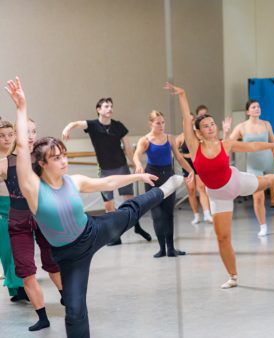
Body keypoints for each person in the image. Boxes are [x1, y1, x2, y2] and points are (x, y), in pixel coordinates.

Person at [5, 77, 184, 338]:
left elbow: (107, 181)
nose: (63, 161)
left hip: (93, 231)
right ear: (42, 164)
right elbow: (21, 147)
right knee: (75, 310)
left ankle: (164, 189)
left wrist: (137, 177)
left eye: (64, 155)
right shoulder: (33, 188)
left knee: (130, 211)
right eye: (56, 158)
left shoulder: (73, 181)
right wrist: (21, 107)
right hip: (69, 255)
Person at [164, 82, 274, 289]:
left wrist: (272, 144)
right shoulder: (193, 145)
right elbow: (185, 121)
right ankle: (233, 276)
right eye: (205, 126)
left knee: (266, 181)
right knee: (222, 238)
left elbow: (251, 146)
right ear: (197, 132)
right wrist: (182, 95)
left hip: (235, 182)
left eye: (212, 124)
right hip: (218, 196)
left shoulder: (225, 144)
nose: (210, 128)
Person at [0, 117, 63, 331]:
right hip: (18, 221)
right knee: (26, 270)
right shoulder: (5, 163)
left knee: (53, 263)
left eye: (34, 131)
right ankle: (42, 316)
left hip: (42, 217)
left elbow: (59, 184)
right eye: (26, 131)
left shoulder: (42, 159)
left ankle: (67, 298)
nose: (31, 135)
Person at [61, 97, 151, 245]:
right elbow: (76, 123)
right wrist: (67, 128)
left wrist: (135, 164)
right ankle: (115, 235)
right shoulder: (92, 125)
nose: (110, 109)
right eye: (106, 106)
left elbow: (128, 148)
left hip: (122, 167)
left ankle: (137, 226)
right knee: (109, 205)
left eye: (111, 106)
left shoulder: (118, 126)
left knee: (130, 202)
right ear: (99, 109)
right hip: (104, 170)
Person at [225, 99, 274, 237]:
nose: (257, 108)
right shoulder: (241, 127)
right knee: (258, 197)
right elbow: (228, 143)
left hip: (269, 161)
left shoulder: (266, 124)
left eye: (258, 106)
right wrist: (227, 131)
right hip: (253, 165)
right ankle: (263, 226)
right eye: (253, 107)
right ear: (248, 111)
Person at [133, 110, 193, 257]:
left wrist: (191, 170)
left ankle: (171, 248)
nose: (161, 125)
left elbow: (179, 158)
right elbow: (136, 155)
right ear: (151, 123)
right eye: (158, 123)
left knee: (168, 214)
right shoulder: (145, 140)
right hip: (152, 179)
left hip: (168, 177)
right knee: (157, 215)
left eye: (163, 122)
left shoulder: (170, 138)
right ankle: (162, 248)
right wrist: (138, 165)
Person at [0, 120, 27, 302]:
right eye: (2, 135)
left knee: (21, 250)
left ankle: (22, 285)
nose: (7, 139)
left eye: (10, 134)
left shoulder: (18, 156)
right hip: (2, 209)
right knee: (7, 250)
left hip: (20, 207)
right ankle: (15, 288)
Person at [175, 104, 212, 224]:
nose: (190, 123)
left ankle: (207, 213)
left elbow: (203, 150)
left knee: (201, 188)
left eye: (192, 120)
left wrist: (189, 155)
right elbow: (176, 154)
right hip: (187, 167)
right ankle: (196, 215)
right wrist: (187, 156)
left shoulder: (198, 135)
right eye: (187, 121)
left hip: (198, 166)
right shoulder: (180, 138)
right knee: (191, 191)